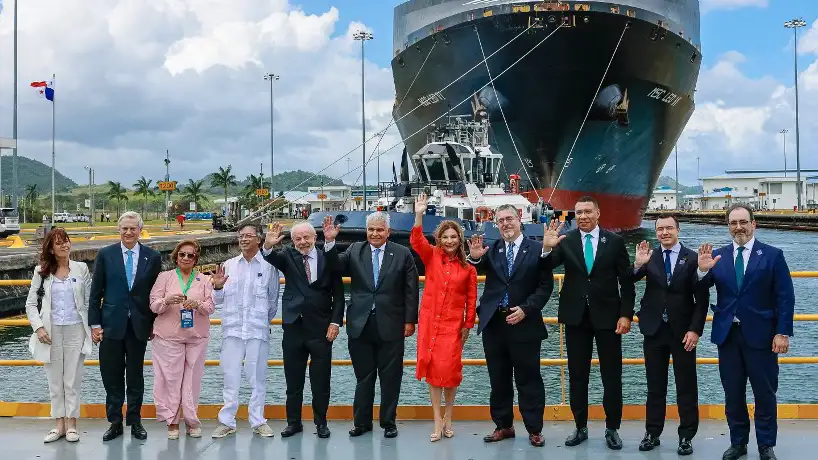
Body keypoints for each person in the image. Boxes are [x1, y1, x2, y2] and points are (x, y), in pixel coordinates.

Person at [697, 204, 794, 460]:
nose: (738, 227)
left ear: (754, 224)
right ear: (727, 226)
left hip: (762, 336)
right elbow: (699, 289)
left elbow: (785, 297)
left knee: (764, 392)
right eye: (733, 223)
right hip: (728, 336)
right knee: (733, 393)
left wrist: (782, 332)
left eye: (743, 222)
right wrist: (701, 270)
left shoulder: (773, 255)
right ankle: (738, 443)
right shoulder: (718, 256)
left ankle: (765, 445)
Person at [541, 196, 635, 450]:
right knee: (578, 376)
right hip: (576, 317)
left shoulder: (614, 242)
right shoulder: (567, 241)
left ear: (598, 213)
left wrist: (626, 314)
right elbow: (545, 266)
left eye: (587, 212)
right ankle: (580, 426)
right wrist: (547, 248)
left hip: (609, 318)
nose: (582, 216)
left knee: (611, 376)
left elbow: (626, 282)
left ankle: (612, 428)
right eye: (579, 212)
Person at [322, 212, 419, 439]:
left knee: (391, 377)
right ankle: (362, 423)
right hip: (360, 324)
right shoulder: (355, 250)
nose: (375, 234)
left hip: (392, 324)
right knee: (363, 377)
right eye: (371, 230)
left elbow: (411, 290)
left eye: (379, 230)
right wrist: (329, 242)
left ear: (388, 232)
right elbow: (334, 268)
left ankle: (388, 422)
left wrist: (409, 320)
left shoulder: (403, 254)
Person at [467, 204, 554, 447]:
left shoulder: (538, 249)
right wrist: (474, 258)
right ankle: (503, 425)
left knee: (529, 379)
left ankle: (534, 429)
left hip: (524, 323)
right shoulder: (491, 250)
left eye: (509, 219)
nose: (505, 224)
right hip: (495, 324)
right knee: (498, 378)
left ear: (520, 220)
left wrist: (526, 309)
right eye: (501, 220)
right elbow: (475, 267)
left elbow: (545, 286)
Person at [632, 215, 709, 455]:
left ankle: (686, 436)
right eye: (660, 229)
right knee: (655, 386)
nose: (664, 232)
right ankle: (652, 433)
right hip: (654, 330)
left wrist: (695, 330)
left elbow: (702, 299)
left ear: (678, 230)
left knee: (686, 386)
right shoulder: (649, 256)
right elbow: (628, 279)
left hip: (683, 332)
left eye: (668, 228)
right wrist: (637, 265)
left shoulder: (693, 258)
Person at [262, 221, 345, 439]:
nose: (302, 242)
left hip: (321, 329)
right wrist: (268, 245)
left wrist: (335, 322)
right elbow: (270, 256)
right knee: (293, 380)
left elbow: (339, 295)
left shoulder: (329, 258)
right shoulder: (287, 256)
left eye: (306, 237)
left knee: (321, 381)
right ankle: (294, 422)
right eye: (297, 238)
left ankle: (321, 423)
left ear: (314, 238)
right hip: (293, 328)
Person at [89, 211, 162, 441]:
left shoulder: (153, 256)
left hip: (139, 325)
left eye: (133, 228)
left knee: (135, 376)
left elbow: (154, 294)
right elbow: (95, 293)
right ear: (118, 230)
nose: (129, 232)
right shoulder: (105, 255)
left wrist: (152, 323)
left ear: (140, 230)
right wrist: (95, 324)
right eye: (124, 229)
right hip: (111, 325)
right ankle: (115, 421)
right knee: (111, 376)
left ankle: (135, 420)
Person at [409, 195, 476, 441]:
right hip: (430, 323)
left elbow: (471, 299)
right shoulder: (432, 256)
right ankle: (437, 419)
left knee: (450, 371)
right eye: (445, 237)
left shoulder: (469, 269)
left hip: (453, 326)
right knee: (433, 371)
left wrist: (467, 326)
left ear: (460, 240)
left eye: (453, 237)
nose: (449, 241)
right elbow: (416, 241)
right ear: (440, 239)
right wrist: (419, 215)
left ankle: (449, 416)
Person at [210, 223, 280, 439]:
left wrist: (261, 321)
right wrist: (218, 287)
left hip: (257, 330)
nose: (243, 239)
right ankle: (226, 421)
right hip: (232, 330)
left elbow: (272, 300)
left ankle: (258, 421)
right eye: (241, 236)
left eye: (248, 236)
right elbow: (217, 301)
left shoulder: (269, 267)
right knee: (230, 376)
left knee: (257, 377)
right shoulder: (229, 266)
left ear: (259, 239)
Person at [25, 228, 93, 443]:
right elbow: (30, 304)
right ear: (51, 249)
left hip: (76, 329)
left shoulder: (81, 269)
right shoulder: (41, 272)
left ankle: (72, 425)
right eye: (59, 243)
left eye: (66, 241)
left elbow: (90, 301)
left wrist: (95, 328)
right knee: (55, 381)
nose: (64, 245)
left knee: (72, 380)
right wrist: (38, 327)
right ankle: (58, 425)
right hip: (50, 332)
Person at [149, 239, 215, 440]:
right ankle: (172, 421)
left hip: (196, 338)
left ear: (196, 259)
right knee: (170, 380)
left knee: (192, 382)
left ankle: (191, 421)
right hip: (168, 338)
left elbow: (210, 307)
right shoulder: (164, 277)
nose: (186, 258)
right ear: (176, 257)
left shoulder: (204, 280)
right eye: (182, 254)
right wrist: (166, 301)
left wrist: (197, 305)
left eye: (190, 255)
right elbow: (153, 305)